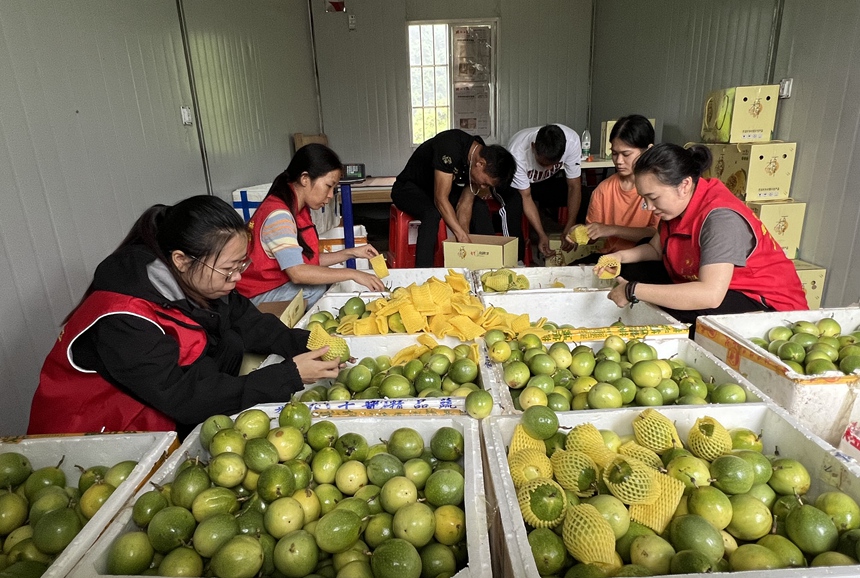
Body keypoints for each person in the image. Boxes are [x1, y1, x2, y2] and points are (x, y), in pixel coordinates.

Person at [28, 196, 342, 437]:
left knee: (231, 340)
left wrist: (309, 343)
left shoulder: (201, 281)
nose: (236, 278)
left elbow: (251, 322)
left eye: (241, 265)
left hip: (160, 405)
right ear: (180, 260)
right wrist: (288, 375)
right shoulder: (123, 318)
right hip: (99, 433)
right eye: (228, 268)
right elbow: (182, 396)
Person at [595, 143, 808, 328]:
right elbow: (655, 249)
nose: (649, 207)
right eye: (644, 198)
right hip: (718, 290)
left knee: (678, 316)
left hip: (765, 306)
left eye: (653, 197)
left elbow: (710, 295)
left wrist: (633, 290)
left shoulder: (720, 220)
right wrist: (620, 257)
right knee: (632, 269)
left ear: (684, 185)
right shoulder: (677, 208)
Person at [237, 144, 385, 307]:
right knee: (315, 288)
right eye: (329, 186)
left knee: (324, 281)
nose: (330, 195)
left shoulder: (297, 209)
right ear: (305, 179)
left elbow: (308, 262)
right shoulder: (279, 216)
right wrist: (354, 274)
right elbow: (299, 273)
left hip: (272, 287)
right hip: (255, 295)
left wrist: (352, 253)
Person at [391, 129, 516, 268]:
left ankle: (488, 265)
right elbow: (440, 199)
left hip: (435, 189)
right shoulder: (449, 146)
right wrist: (461, 236)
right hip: (409, 187)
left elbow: (465, 204)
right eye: (485, 183)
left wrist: (464, 247)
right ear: (480, 163)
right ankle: (424, 273)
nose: (482, 186)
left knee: (479, 206)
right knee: (432, 213)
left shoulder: (479, 152)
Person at [571, 115, 659, 264]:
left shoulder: (659, 187)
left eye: (626, 154)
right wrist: (579, 233)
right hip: (610, 257)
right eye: (614, 153)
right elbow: (593, 238)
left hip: (646, 259)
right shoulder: (603, 190)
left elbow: (655, 234)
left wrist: (611, 229)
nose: (618, 161)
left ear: (648, 150)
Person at [507, 124, 583, 256]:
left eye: (554, 164)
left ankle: (581, 251)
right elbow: (526, 196)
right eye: (543, 164)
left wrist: (570, 225)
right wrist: (541, 234)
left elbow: (574, 186)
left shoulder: (572, 141)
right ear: (533, 147)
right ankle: (518, 258)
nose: (548, 169)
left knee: (585, 194)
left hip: (547, 183)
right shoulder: (516, 152)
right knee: (514, 204)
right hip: (523, 187)